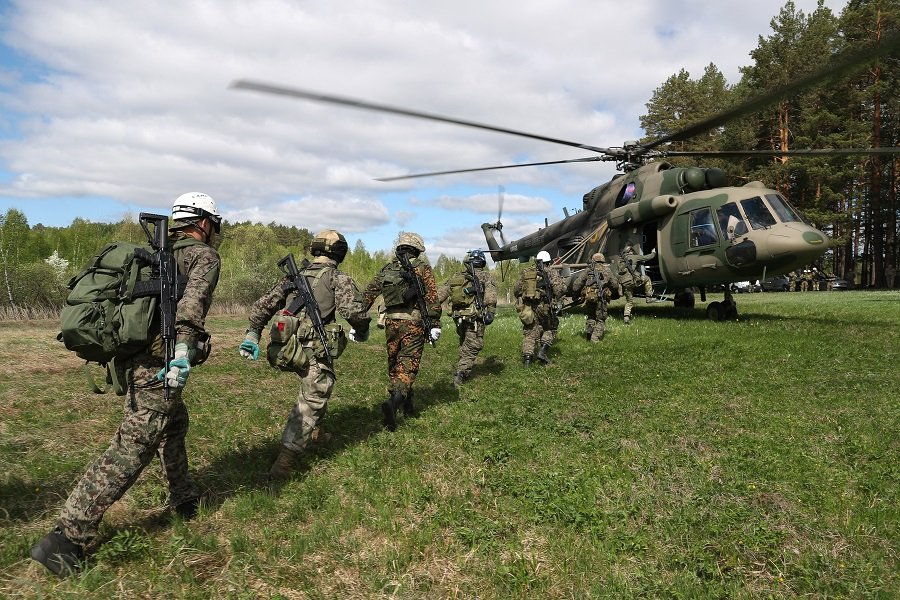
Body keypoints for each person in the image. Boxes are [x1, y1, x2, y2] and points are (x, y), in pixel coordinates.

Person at [31, 192, 222, 577]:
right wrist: (183, 352)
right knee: (131, 449)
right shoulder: (203, 256)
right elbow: (190, 309)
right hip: (161, 365)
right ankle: (66, 537)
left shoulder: (155, 255)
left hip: (138, 361)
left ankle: (184, 499)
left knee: (174, 425)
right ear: (204, 223)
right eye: (215, 224)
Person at [238, 230, 371, 480]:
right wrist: (362, 329)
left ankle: (317, 434)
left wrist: (253, 333)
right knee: (314, 396)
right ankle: (283, 464)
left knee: (316, 388)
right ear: (339, 252)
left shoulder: (292, 277)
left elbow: (263, 305)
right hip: (313, 349)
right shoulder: (336, 278)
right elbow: (354, 311)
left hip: (286, 348)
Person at [362, 232, 441, 431]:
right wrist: (435, 323)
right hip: (414, 323)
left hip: (391, 323)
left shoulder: (388, 269)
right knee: (407, 366)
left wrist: (357, 317)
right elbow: (432, 298)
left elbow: (369, 293)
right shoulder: (422, 268)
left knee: (395, 362)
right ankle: (394, 402)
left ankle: (407, 405)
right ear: (417, 249)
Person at [436, 249, 498, 388]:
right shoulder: (486, 277)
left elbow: (440, 294)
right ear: (482, 262)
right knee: (474, 344)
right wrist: (490, 312)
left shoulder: (456, 276)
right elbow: (491, 295)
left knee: (464, 341)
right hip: (474, 317)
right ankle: (461, 373)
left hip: (458, 316)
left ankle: (463, 364)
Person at [514, 250, 565, 365]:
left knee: (530, 331)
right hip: (545, 306)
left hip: (528, 307)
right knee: (551, 328)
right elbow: (559, 290)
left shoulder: (526, 272)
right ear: (548, 261)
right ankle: (542, 351)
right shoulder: (552, 272)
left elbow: (516, 290)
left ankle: (527, 359)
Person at [571, 252, 617, 342]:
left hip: (589, 297)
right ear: (603, 260)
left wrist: (575, 293)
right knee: (601, 319)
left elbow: (576, 284)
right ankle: (595, 338)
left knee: (591, 316)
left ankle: (589, 332)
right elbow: (615, 285)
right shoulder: (607, 270)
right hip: (601, 298)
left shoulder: (588, 270)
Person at [611, 241, 656, 324]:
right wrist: (653, 252)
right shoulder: (635, 257)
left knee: (629, 302)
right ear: (630, 251)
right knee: (647, 279)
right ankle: (649, 297)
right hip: (633, 281)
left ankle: (626, 317)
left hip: (624, 284)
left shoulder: (620, 262)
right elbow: (647, 257)